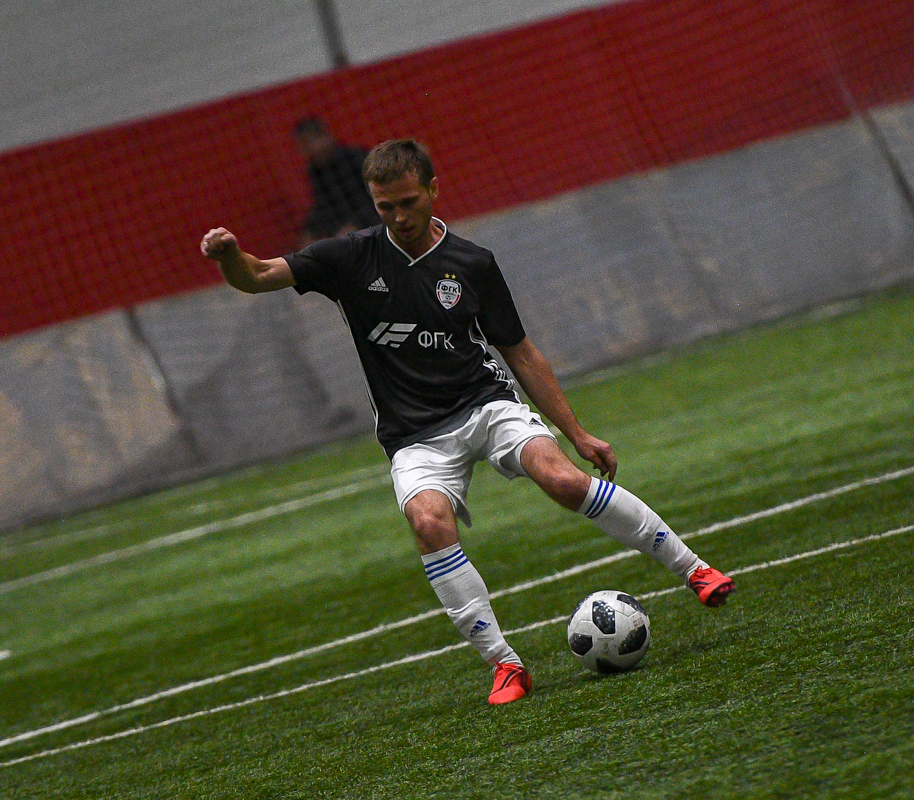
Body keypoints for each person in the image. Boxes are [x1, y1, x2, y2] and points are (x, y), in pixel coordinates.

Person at [200, 139, 735, 706]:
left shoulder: (472, 263)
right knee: (428, 523)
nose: (399, 217)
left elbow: (520, 352)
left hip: (486, 404)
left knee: (563, 480)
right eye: (385, 206)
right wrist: (229, 255)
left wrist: (577, 433)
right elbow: (256, 275)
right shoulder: (349, 256)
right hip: (414, 436)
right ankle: (505, 664)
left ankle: (694, 570)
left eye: (409, 202)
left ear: (434, 189)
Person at [293, 117, 381, 247]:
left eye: (309, 143)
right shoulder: (317, 172)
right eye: (303, 146)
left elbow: (376, 198)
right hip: (346, 234)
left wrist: (356, 225)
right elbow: (323, 208)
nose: (308, 150)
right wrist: (310, 232)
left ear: (325, 137)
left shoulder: (355, 159)